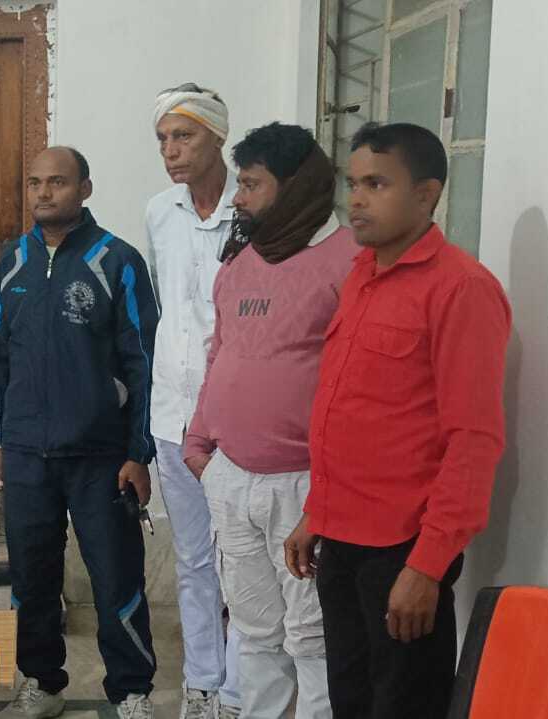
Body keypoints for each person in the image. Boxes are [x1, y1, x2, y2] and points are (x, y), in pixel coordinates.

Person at [284, 122, 511, 719]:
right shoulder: (362, 274)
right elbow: (357, 410)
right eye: (353, 183)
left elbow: (474, 440)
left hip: (403, 548)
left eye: (377, 184)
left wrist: (427, 566)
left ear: (426, 193)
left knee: (404, 704)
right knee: (351, 699)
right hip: (341, 538)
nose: (357, 199)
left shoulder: (461, 289)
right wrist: (317, 511)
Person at [0, 146, 160, 719]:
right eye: (35, 182)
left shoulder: (117, 261)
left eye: (57, 181)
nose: (43, 192)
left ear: (84, 188)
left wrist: (138, 451)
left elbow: (144, 361)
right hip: (26, 453)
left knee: (116, 578)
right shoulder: (13, 261)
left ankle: (131, 692)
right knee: (32, 579)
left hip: (100, 455)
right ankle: (43, 683)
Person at [184, 122, 354, 719]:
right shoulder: (241, 263)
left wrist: (327, 490)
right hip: (231, 475)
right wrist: (200, 443)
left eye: (251, 185)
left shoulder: (350, 262)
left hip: (305, 486)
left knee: (312, 638)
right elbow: (220, 352)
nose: (238, 198)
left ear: (295, 186)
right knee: (254, 631)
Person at [145, 82, 245, 719]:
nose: (171, 150)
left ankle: (239, 692)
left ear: (218, 137)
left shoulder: (253, 210)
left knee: (243, 561)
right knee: (192, 558)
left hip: (236, 418)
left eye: (184, 136)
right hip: (172, 415)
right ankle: (203, 683)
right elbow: (166, 305)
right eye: (162, 139)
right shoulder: (160, 211)